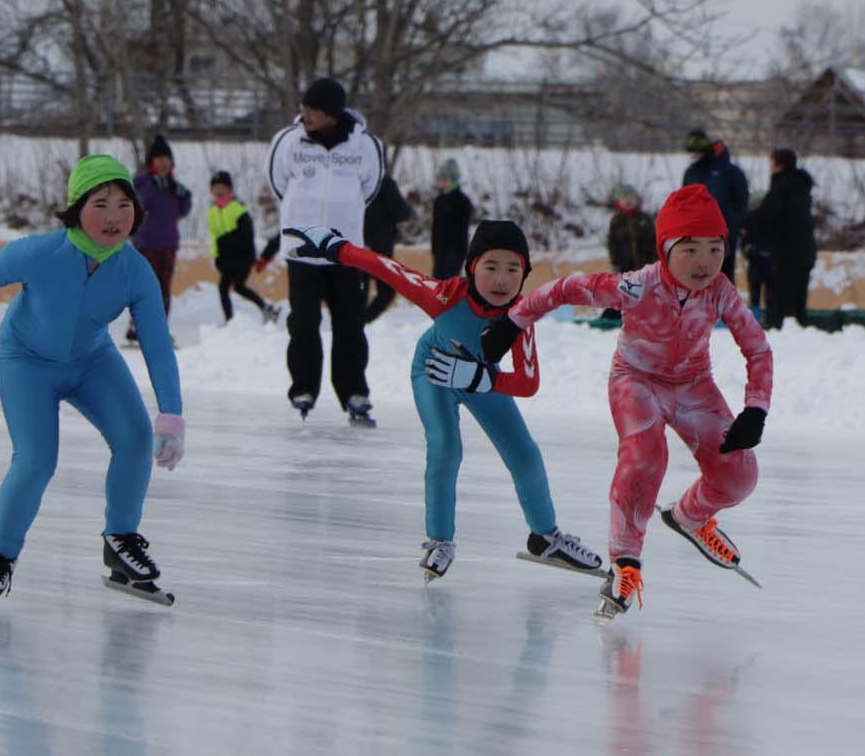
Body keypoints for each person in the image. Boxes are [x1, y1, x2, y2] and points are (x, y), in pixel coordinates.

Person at [0, 154, 186, 608]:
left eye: (123, 204)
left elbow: (155, 342)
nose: (114, 217)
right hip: (26, 362)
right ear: (76, 209)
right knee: (36, 460)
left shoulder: (135, 271)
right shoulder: (41, 251)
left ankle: (121, 543)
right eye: (100, 204)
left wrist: (171, 413)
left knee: (135, 439)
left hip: (91, 360)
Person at [481, 184, 773, 621]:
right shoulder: (637, 287)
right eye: (690, 249)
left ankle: (689, 517)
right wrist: (511, 323)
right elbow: (564, 289)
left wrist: (756, 408)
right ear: (666, 248)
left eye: (715, 249)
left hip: (694, 386)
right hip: (636, 381)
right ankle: (625, 561)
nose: (705, 262)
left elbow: (758, 349)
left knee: (740, 478)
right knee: (644, 458)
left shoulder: (721, 292)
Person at [280, 219, 603, 583]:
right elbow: (390, 269)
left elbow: (528, 384)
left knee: (525, 453)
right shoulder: (445, 296)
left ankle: (545, 536)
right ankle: (440, 540)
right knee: (446, 447)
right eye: (491, 267)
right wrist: (336, 247)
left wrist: (480, 378)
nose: (501, 280)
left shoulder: (520, 315)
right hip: (433, 372)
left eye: (513, 269)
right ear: (471, 269)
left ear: (524, 274)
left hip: (480, 379)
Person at [260, 76, 385, 426]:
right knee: (304, 322)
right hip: (302, 250)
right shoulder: (287, 142)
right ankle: (303, 389)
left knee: (350, 323)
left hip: (346, 252)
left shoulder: (365, 146)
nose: (306, 113)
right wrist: (302, 215)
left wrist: (343, 219)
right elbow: (278, 184)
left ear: (333, 113)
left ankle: (353, 392)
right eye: (305, 106)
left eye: (314, 108)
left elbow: (370, 189)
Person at [127, 134, 192, 341]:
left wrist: (183, 195)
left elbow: (182, 211)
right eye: (159, 159)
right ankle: (136, 326)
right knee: (145, 288)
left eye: (167, 159)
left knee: (164, 288)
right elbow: (137, 204)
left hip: (168, 244)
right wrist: (151, 187)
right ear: (151, 162)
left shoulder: (173, 186)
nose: (164, 163)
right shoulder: (142, 182)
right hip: (146, 243)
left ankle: (157, 329)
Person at [748, 148, 817, 329]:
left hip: (785, 252)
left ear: (779, 165)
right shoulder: (802, 187)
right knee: (799, 296)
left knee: (780, 297)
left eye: (771, 163)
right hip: (806, 249)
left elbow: (767, 218)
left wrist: (752, 221)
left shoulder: (780, 189)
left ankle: (781, 331)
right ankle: (799, 329)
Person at [206, 170, 278, 324]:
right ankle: (231, 320)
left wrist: (227, 241)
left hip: (242, 257)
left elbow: (245, 235)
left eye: (222, 187)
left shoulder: (238, 209)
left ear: (229, 189)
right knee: (226, 287)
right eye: (215, 188)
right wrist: (216, 256)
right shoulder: (212, 212)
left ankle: (264, 309)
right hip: (226, 258)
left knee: (237, 285)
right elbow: (214, 237)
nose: (219, 191)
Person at [682, 128, 750, 289]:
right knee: (698, 277)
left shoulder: (729, 171)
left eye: (696, 153)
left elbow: (742, 201)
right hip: (696, 234)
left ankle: (725, 311)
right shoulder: (691, 172)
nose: (693, 157)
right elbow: (684, 200)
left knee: (723, 277)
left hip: (724, 234)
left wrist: (737, 226)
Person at [362, 174, 414, 323]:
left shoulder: (356, 178)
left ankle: (356, 322)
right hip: (379, 245)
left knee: (359, 290)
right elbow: (401, 212)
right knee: (387, 290)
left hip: (356, 243)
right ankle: (362, 321)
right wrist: (409, 211)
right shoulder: (382, 181)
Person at [601, 183, 657, 321]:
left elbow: (654, 240)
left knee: (645, 293)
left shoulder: (644, 219)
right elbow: (612, 243)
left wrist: (654, 261)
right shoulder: (617, 221)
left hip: (644, 266)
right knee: (621, 292)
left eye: (631, 197)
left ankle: (646, 316)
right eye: (624, 198)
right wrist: (616, 262)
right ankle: (611, 317)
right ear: (618, 202)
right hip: (624, 267)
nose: (628, 201)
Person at [430, 158, 473, 280]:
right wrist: (434, 248)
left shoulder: (463, 201)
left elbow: (461, 230)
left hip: (455, 251)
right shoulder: (439, 200)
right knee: (436, 285)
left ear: (453, 180)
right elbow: (436, 227)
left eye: (445, 178)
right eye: (440, 178)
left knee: (449, 286)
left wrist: (459, 252)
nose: (441, 181)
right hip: (440, 251)